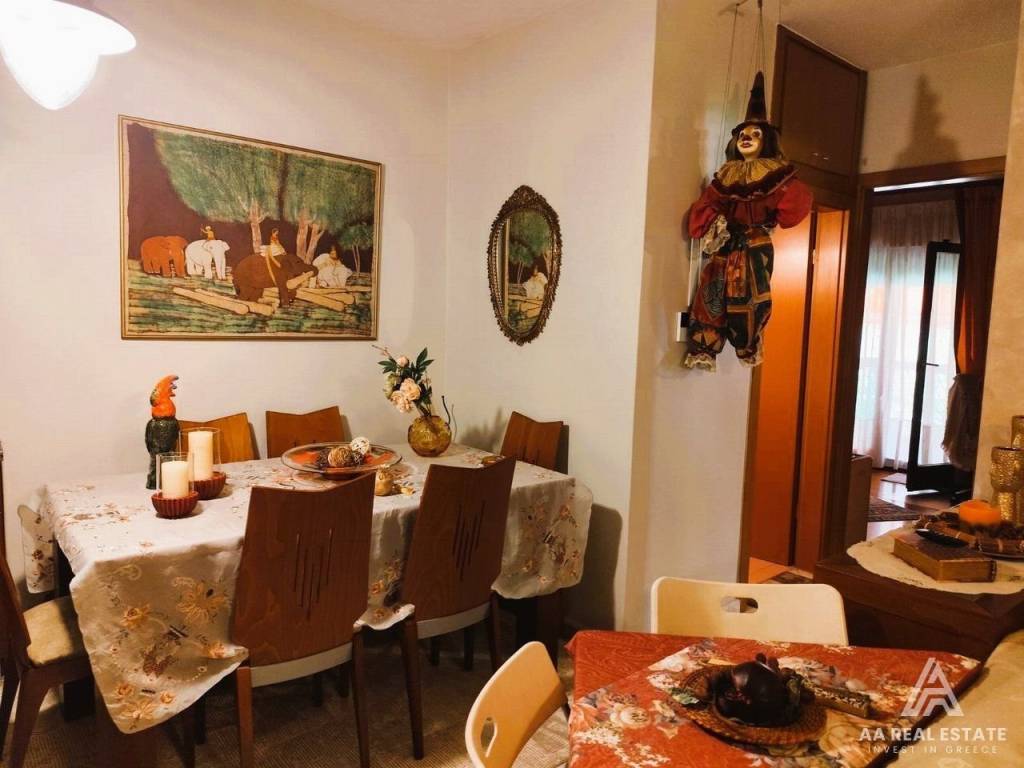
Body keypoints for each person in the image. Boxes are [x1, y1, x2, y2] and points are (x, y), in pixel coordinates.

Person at [684, 71, 812, 371]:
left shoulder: (775, 175)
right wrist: (708, 225)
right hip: (727, 244)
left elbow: (794, 205)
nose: (747, 137)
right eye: (743, 133)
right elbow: (707, 206)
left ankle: (746, 342)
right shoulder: (728, 174)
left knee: (749, 295)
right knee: (712, 293)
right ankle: (706, 344)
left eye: (755, 134)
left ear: (766, 141)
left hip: (754, 244)